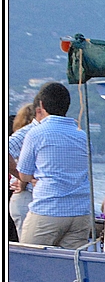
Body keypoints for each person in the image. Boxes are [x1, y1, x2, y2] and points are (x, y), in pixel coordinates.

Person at [16, 82, 93, 248]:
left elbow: (24, 175)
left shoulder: (36, 133)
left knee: (28, 259)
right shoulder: (81, 135)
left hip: (48, 209)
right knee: (70, 266)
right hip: (80, 212)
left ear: (41, 105)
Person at [8, 100, 40, 239]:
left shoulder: (22, 136)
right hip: (26, 195)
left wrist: (22, 177)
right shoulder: (30, 135)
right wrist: (24, 177)